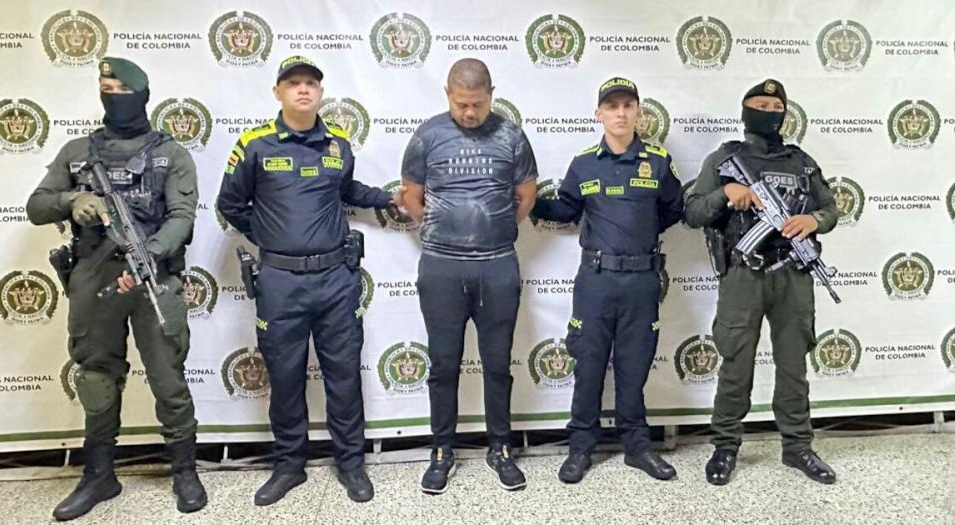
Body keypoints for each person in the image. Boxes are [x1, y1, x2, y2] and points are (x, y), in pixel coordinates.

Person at [26, 57, 206, 520]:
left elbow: (182, 218)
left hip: (153, 276)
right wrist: (74, 199)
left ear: (142, 95)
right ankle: (99, 475)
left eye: (122, 90)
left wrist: (146, 256)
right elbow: (37, 207)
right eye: (106, 88)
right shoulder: (77, 152)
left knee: (168, 376)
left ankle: (185, 470)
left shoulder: (171, 154)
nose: (113, 96)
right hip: (93, 276)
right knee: (96, 377)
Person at [217, 56, 402, 505]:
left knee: (344, 376)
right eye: (293, 83)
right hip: (280, 282)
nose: (303, 89)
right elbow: (230, 204)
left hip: (336, 280)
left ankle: (351, 463)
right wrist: (272, 238)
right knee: (285, 378)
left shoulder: (337, 144)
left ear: (320, 93)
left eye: (311, 83)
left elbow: (347, 191)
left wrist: (388, 198)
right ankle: (289, 465)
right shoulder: (255, 144)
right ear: (278, 92)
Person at [684, 79, 840, 486]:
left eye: (776, 106)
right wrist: (727, 192)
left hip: (793, 273)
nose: (769, 111)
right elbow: (694, 212)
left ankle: (798, 446)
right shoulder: (725, 158)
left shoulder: (801, 162)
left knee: (793, 365)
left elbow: (830, 208)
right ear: (745, 110)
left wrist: (813, 221)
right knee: (736, 362)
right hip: (744, 273)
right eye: (761, 104)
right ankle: (725, 445)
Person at [531, 77, 684, 483]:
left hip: (642, 281)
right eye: (612, 106)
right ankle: (581, 447)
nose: (620, 113)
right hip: (596, 281)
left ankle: (637, 447)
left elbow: (672, 210)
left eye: (627, 106)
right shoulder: (584, 164)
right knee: (589, 364)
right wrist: (528, 203)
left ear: (638, 111)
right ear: (598, 113)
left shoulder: (658, 161)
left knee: (635, 366)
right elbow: (566, 210)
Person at [399, 58, 538, 494]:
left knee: (497, 363)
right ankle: (442, 450)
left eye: (478, 103)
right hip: (441, 265)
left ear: (491, 95)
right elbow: (411, 195)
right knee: (443, 364)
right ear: (448, 94)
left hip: (497, 263)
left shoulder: (512, 136)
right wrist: (441, 227)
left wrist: (493, 225)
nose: (470, 112)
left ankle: (501, 447)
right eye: (461, 104)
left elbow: (526, 195)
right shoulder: (427, 136)